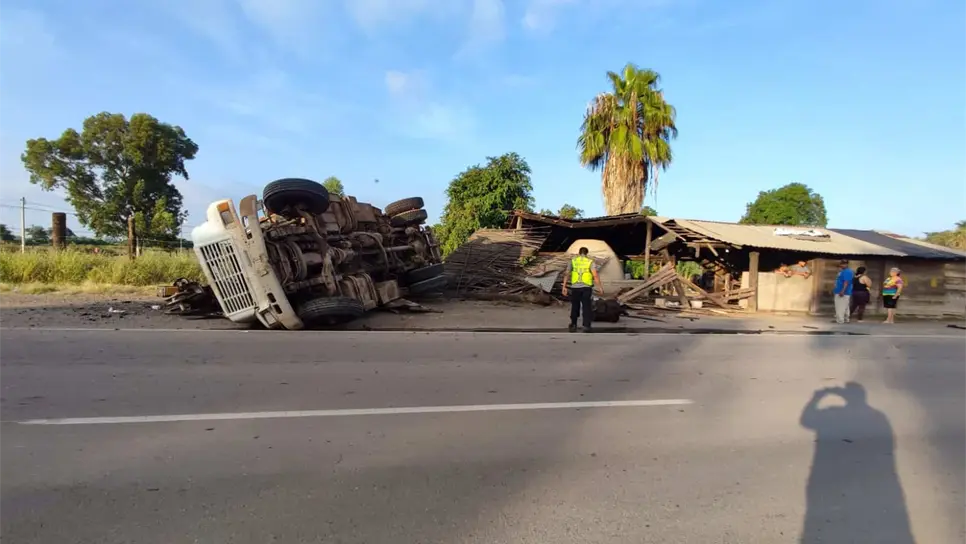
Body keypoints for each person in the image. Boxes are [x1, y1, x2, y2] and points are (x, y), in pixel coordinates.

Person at [561, 247, 603, 333]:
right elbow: (595, 275)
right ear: (587, 253)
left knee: (575, 306)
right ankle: (586, 326)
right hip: (586, 288)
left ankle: (573, 324)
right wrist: (600, 287)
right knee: (586, 306)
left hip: (575, 287)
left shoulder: (573, 261)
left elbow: (567, 273)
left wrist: (564, 287)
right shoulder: (590, 262)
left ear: (579, 253)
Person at [833, 260, 854, 324]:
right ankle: (845, 319)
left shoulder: (847, 272)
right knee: (845, 306)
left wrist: (842, 291)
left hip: (843, 292)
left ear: (847, 264)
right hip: (840, 291)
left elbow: (846, 282)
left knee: (840, 307)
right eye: (842, 264)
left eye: (844, 264)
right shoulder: (842, 271)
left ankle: (840, 320)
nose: (842, 265)